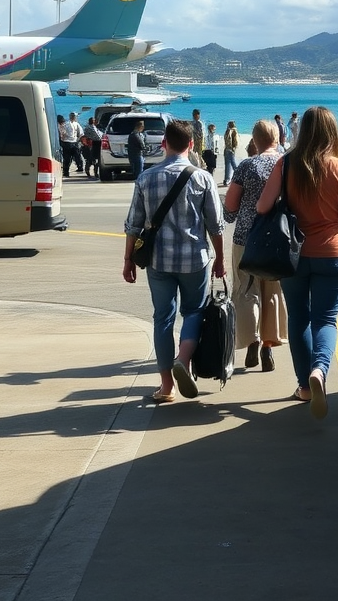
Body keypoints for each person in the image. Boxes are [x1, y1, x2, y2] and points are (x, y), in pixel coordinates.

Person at [257, 106, 338, 418]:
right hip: (333, 253)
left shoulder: (286, 163)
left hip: (294, 255)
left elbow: (262, 207)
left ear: (302, 131)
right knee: (326, 319)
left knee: (299, 318)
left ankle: (304, 386)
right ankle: (320, 370)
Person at [123, 119, 225, 402]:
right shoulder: (202, 178)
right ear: (191, 144)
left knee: (162, 318)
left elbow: (133, 224)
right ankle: (183, 358)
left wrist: (128, 259)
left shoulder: (146, 178)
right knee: (194, 312)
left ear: (163, 143)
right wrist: (220, 258)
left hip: (158, 260)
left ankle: (167, 385)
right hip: (195, 259)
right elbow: (215, 225)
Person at [223, 119, 288, 372]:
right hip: (278, 239)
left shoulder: (247, 166)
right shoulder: (286, 164)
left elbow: (230, 207)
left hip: (246, 238)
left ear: (254, 140)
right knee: (272, 291)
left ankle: (252, 341)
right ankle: (268, 347)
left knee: (246, 290)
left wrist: (232, 214)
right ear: (277, 138)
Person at [223, 120, 240, 185]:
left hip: (226, 149)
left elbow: (226, 140)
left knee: (227, 165)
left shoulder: (227, 131)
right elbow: (235, 141)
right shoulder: (234, 131)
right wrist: (234, 148)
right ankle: (238, 177)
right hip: (231, 149)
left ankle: (226, 179)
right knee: (233, 164)